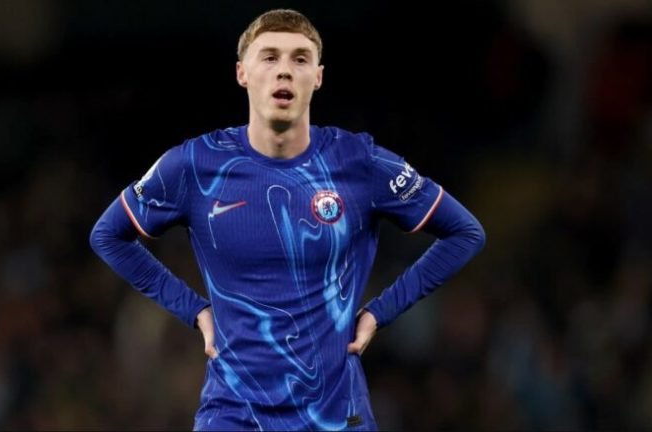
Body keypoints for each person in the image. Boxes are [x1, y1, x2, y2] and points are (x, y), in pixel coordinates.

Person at [90, 8, 485, 431]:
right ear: (242, 73)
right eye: (269, 57)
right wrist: (195, 310)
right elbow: (108, 235)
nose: (285, 71)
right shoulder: (195, 166)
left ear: (318, 77)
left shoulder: (360, 162)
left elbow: (465, 232)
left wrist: (379, 312)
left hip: (336, 416)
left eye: (300, 59)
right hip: (233, 414)